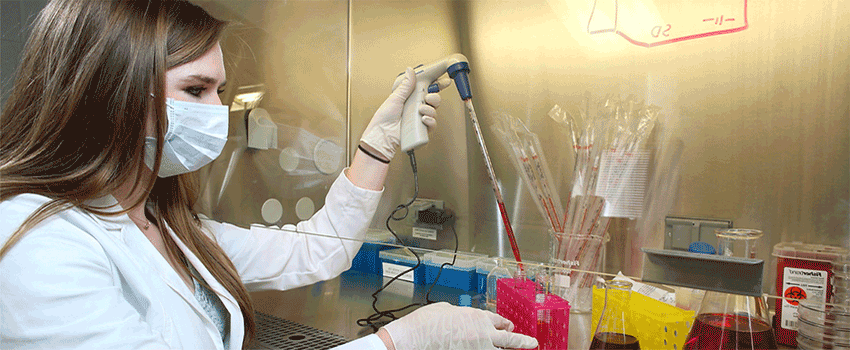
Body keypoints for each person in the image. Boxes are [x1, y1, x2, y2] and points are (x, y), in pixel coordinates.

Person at [0, 1, 538, 350]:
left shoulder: (170, 228)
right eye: (195, 90)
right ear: (108, 91)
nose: (217, 110)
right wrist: (396, 344)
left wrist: (375, 149)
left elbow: (317, 250)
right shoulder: (36, 242)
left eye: (219, 92)